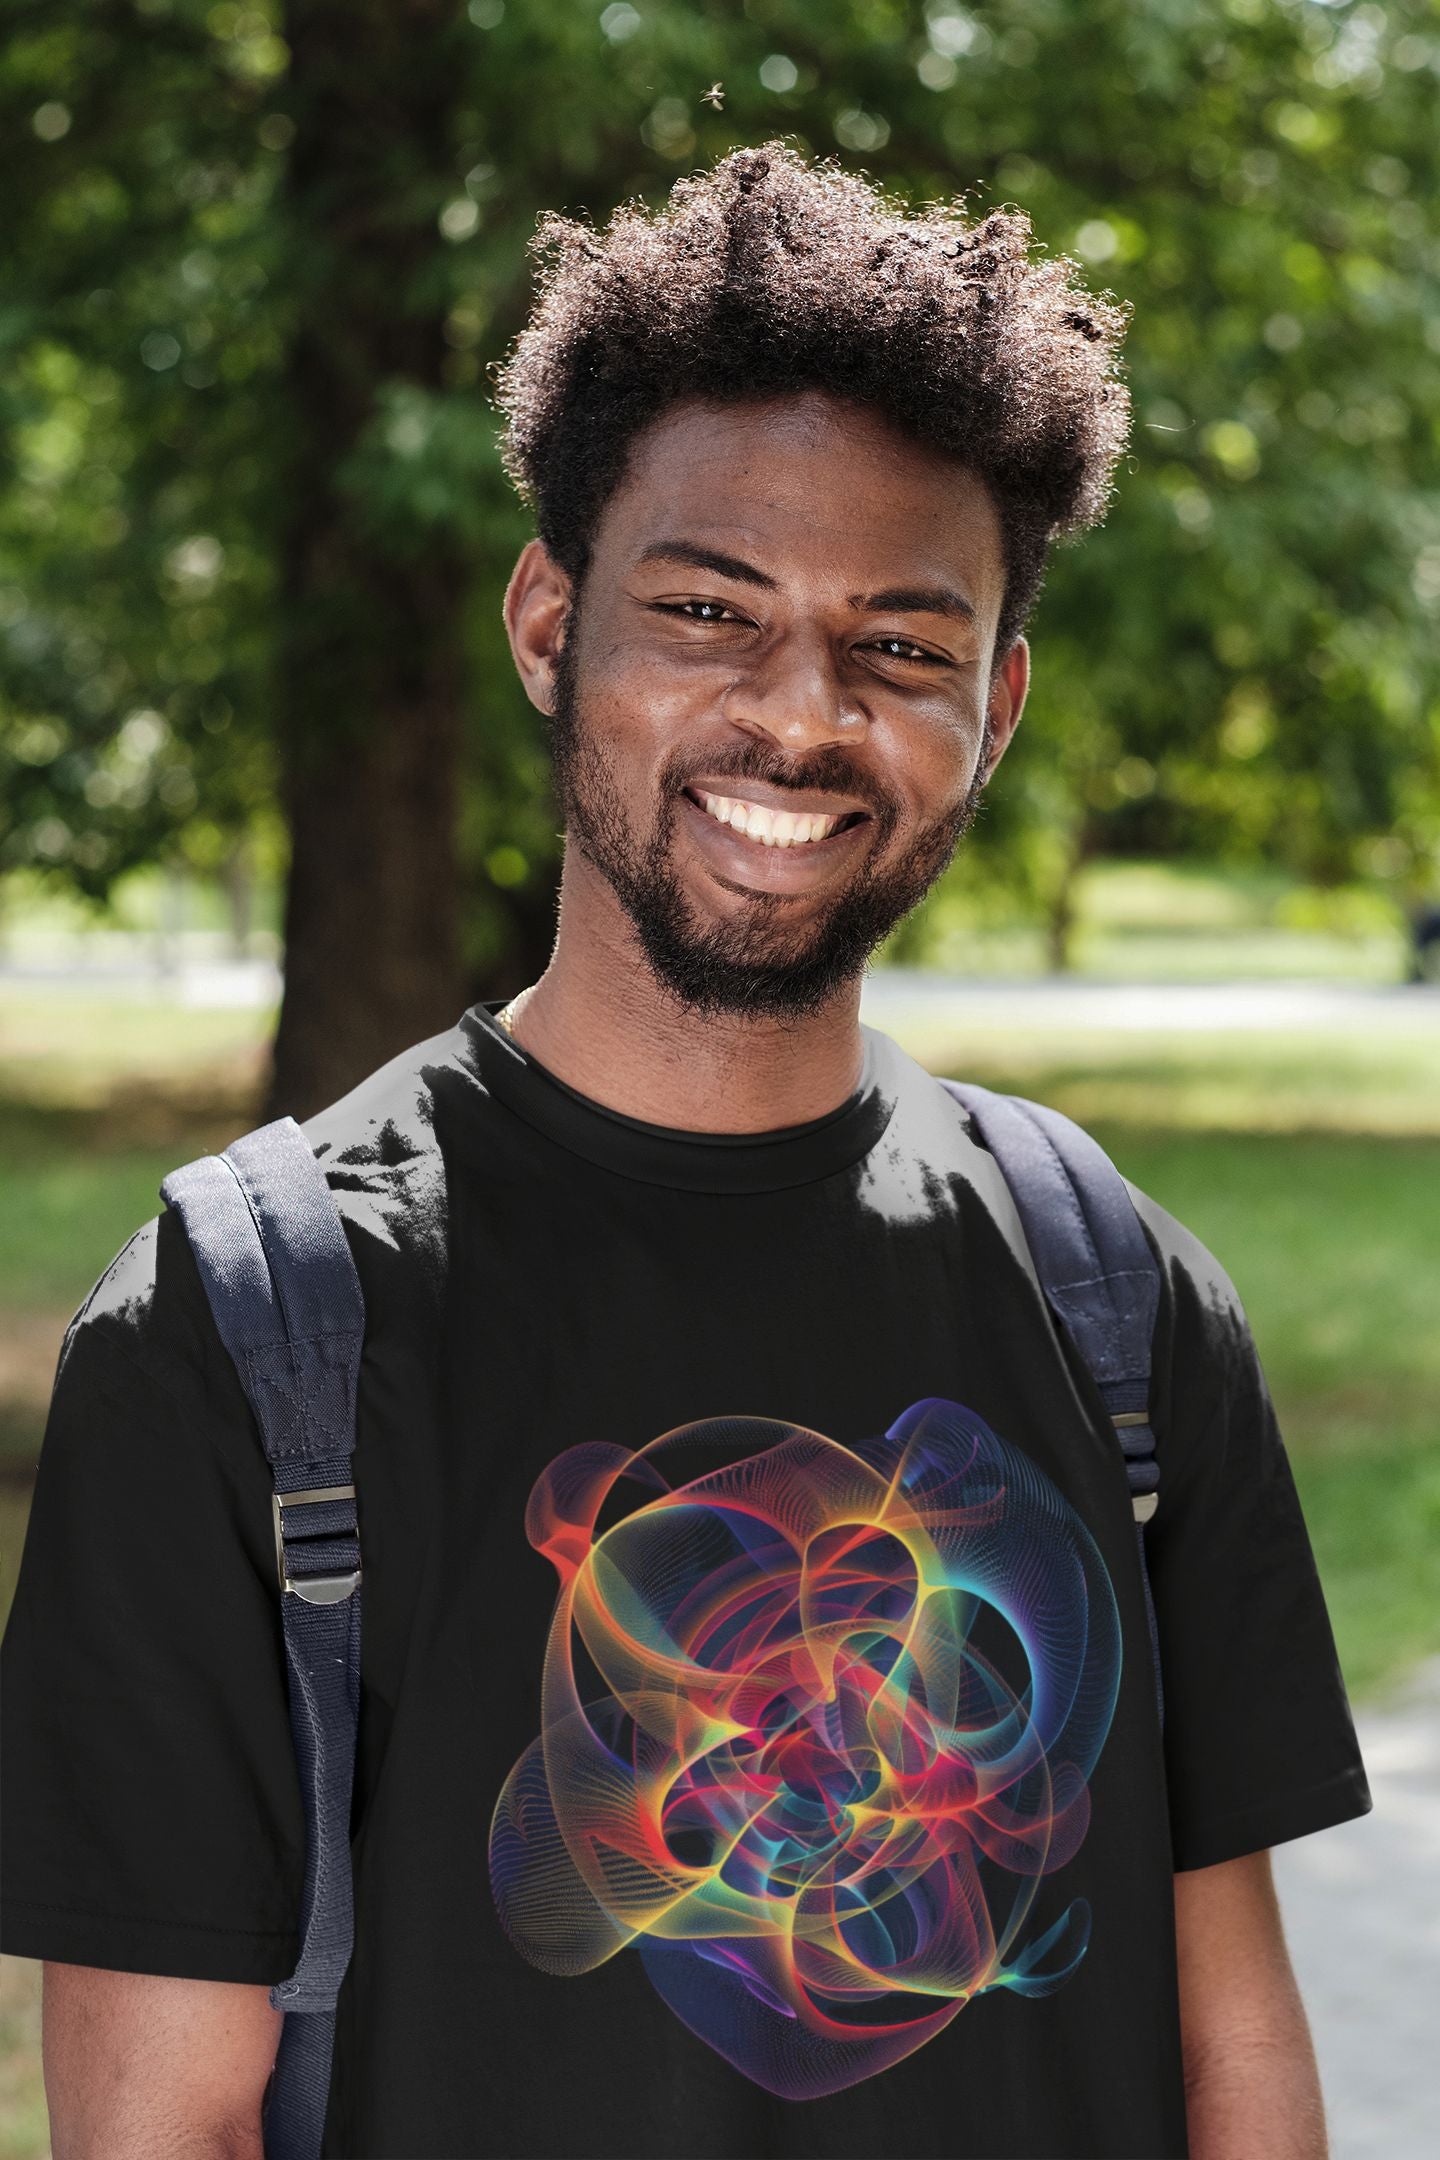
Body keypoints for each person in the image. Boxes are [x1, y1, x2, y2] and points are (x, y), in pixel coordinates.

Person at [1, 143, 1371, 2160]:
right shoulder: (243, 1339)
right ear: (551, 624)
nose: (798, 716)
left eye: (901, 646)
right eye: (709, 609)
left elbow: (1235, 2075)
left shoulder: (1120, 1301)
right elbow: (159, 2134)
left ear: (995, 707)